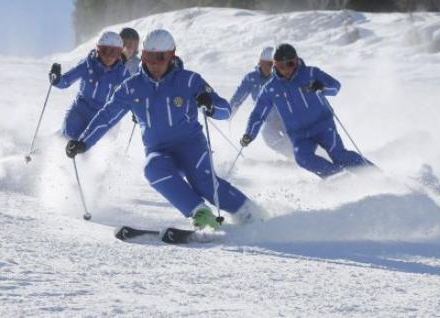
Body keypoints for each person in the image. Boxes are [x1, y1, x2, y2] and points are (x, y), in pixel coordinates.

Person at [65, 29, 257, 229]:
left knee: (204, 183)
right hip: (158, 150)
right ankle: (200, 212)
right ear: (143, 56)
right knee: (152, 169)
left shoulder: (189, 80)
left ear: (171, 55)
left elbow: (225, 110)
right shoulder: (131, 87)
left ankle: (250, 213)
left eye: (160, 57)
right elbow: (106, 117)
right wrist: (83, 142)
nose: (154, 63)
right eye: (149, 57)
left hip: (191, 146)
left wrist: (210, 105)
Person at [240, 43, 370, 178]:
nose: (286, 70)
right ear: (275, 65)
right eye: (281, 66)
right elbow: (258, 114)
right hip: (299, 135)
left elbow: (335, 86)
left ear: (296, 61)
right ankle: (339, 177)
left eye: (290, 64)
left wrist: (322, 88)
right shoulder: (270, 88)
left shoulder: (310, 73)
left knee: (339, 155)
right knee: (303, 158)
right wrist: (250, 134)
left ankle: (373, 174)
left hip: (323, 126)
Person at [49, 31, 129, 139]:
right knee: (67, 136)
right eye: (105, 51)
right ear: (98, 50)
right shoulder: (87, 65)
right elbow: (65, 81)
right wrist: (57, 79)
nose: (109, 56)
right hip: (80, 109)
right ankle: (47, 150)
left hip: (102, 116)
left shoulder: (123, 73)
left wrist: (137, 110)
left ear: (119, 54)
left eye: (113, 52)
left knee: (89, 146)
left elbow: (132, 95)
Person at [229, 46, 292, 158]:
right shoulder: (252, 78)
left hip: (287, 117)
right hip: (268, 119)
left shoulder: (283, 77)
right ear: (260, 62)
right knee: (268, 135)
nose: (271, 67)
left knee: (294, 136)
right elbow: (238, 98)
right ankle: (292, 156)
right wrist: (227, 114)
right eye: (268, 64)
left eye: (274, 64)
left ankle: (305, 155)